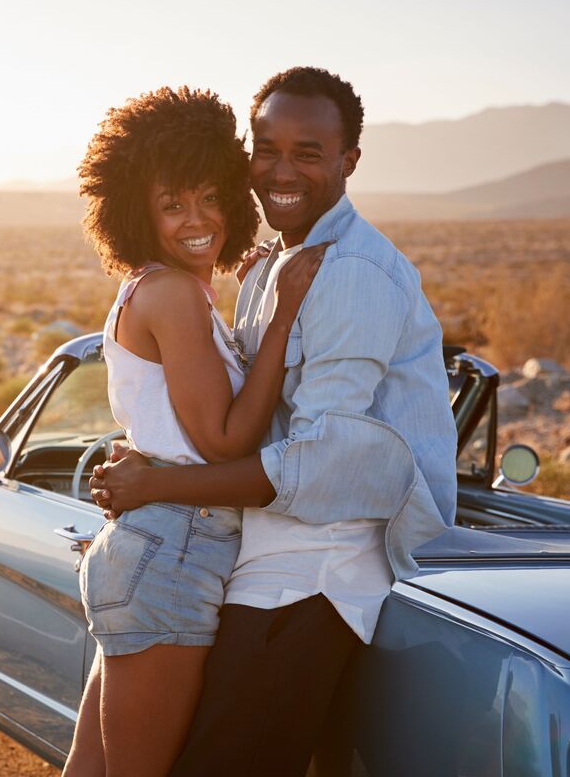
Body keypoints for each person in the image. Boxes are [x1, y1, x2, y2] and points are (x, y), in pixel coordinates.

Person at [88, 67, 457, 776]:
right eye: (266, 149)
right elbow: (225, 414)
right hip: (239, 568)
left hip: (306, 579)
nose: (280, 170)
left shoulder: (345, 273)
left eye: (308, 152)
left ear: (349, 160)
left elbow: (320, 462)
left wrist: (154, 487)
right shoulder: (272, 270)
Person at [63, 86, 329, 777]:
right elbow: (225, 442)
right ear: (135, 211)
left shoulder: (169, 289)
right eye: (172, 203)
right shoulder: (173, 295)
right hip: (174, 552)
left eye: (211, 198)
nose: (197, 220)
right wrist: (283, 316)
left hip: (156, 547)